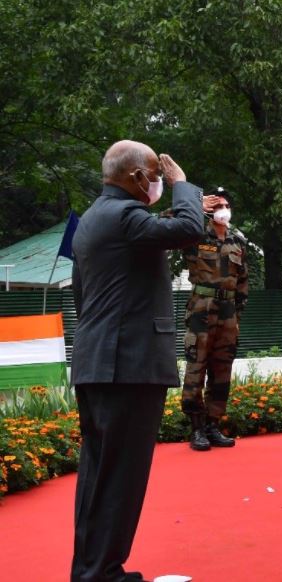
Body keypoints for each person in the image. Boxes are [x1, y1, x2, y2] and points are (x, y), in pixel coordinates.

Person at [70, 140, 204, 582]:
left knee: (99, 477)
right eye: (155, 175)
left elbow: (82, 295)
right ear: (136, 178)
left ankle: (93, 570)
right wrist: (183, 185)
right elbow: (190, 228)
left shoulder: (93, 219)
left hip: (99, 362)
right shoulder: (126, 217)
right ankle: (103, 573)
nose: (160, 182)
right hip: (125, 366)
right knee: (120, 480)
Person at [181, 187, 248, 451]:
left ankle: (213, 425)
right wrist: (194, 206)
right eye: (217, 204)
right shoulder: (194, 234)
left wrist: (237, 315)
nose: (223, 209)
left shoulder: (238, 241)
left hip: (228, 311)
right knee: (196, 366)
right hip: (201, 307)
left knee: (222, 370)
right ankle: (196, 428)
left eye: (226, 204)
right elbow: (163, 222)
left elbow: (243, 281)